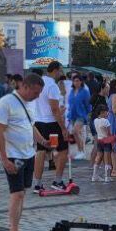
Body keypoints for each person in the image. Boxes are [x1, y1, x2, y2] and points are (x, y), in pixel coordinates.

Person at [0, 73, 50, 231]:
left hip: (28, 154)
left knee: (22, 194)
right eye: (35, 92)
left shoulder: (29, 104)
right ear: (25, 86)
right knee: (16, 194)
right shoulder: (6, 102)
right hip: (13, 156)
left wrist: (43, 142)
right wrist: (3, 158)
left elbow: (31, 126)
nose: (37, 96)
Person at [32, 61, 68, 191]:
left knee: (41, 151)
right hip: (51, 124)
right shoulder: (52, 86)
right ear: (56, 70)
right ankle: (57, 181)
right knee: (62, 150)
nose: (62, 73)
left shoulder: (40, 82)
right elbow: (54, 109)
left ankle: (38, 184)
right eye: (61, 70)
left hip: (39, 122)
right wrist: (63, 128)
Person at [67, 74, 91, 162]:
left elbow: (88, 104)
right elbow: (70, 102)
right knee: (77, 133)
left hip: (81, 114)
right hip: (72, 114)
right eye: (75, 81)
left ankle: (82, 151)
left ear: (81, 81)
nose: (76, 82)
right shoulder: (72, 91)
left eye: (78, 80)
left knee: (75, 131)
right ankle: (81, 151)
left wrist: (88, 114)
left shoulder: (85, 91)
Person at [91, 102, 113, 182]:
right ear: (102, 112)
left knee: (98, 157)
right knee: (107, 158)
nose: (107, 113)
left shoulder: (95, 120)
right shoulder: (106, 121)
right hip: (106, 140)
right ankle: (107, 177)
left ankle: (94, 176)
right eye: (106, 112)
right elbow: (109, 133)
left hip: (99, 140)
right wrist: (112, 142)